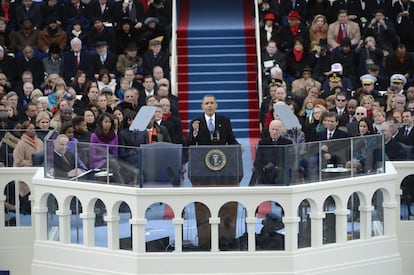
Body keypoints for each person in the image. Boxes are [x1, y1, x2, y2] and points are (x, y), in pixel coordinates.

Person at [253, 120, 292, 185]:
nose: (274, 132)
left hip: (281, 171)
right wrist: (263, 168)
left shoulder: (287, 143)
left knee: (280, 175)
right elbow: (257, 161)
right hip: (266, 172)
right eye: (272, 129)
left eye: (276, 130)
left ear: (281, 130)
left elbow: (290, 161)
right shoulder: (262, 143)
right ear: (269, 130)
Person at [90, 112, 124, 184]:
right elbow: (92, 155)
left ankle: (120, 184)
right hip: (98, 162)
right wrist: (104, 157)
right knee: (113, 165)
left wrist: (109, 158)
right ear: (101, 123)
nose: (108, 124)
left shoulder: (114, 136)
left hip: (111, 162)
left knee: (114, 164)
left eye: (109, 122)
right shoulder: (94, 136)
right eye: (105, 122)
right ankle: (121, 184)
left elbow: (115, 153)